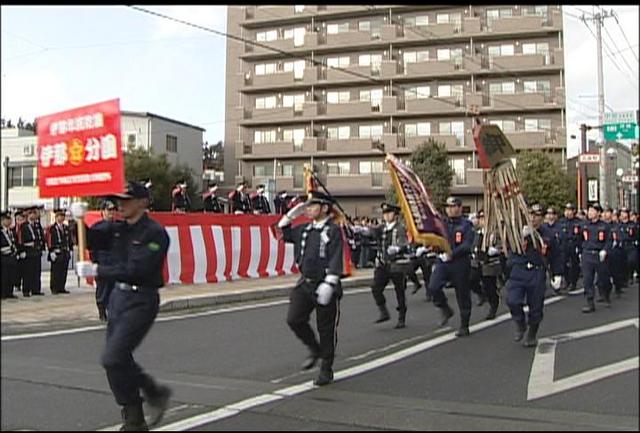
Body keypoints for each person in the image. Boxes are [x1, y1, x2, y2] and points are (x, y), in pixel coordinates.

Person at [74, 181, 172, 430]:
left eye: (126, 199)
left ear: (143, 202)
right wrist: (75, 220)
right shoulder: (116, 228)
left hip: (142, 299)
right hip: (118, 298)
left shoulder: (155, 233)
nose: (121, 204)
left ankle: (149, 394)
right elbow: (89, 239)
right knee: (116, 360)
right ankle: (135, 417)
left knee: (113, 357)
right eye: (118, 200)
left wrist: (99, 269)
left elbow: (138, 268)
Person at [277, 190, 345, 386]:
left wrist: (330, 281)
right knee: (294, 318)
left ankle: (326, 367)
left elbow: (336, 256)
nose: (309, 209)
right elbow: (284, 232)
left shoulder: (332, 230)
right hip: (306, 283)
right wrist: (291, 215)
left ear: (325, 208)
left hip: (325, 284)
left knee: (326, 328)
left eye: (313, 205)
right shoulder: (305, 229)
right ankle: (314, 348)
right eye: (308, 206)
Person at [505, 203, 559, 347]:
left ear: (542, 218)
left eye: (536, 216)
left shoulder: (548, 234)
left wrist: (558, 274)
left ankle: (532, 334)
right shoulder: (518, 232)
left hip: (536, 271)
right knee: (512, 300)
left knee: (535, 306)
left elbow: (555, 255)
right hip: (519, 269)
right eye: (530, 215)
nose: (533, 218)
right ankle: (520, 322)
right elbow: (508, 248)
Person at [427, 196, 475, 337]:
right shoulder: (442, 223)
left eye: (452, 206)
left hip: (459, 262)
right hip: (444, 261)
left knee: (462, 294)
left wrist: (452, 254)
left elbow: (467, 245)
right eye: (447, 207)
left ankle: (464, 325)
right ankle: (444, 308)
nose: (449, 209)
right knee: (433, 286)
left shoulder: (466, 225)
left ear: (460, 208)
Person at [363, 203, 412, 329]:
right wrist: (364, 228)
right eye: (385, 213)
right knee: (375, 287)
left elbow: (403, 242)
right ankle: (383, 311)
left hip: (396, 264)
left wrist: (397, 248)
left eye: (389, 213)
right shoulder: (383, 228)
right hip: (383, 263)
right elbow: (372, 231)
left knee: (399, 291)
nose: (386, 216)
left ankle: (402, 316)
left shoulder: (400, 228)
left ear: (395, 215)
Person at [469, 209, 502, 320]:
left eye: (484, 218)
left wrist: (494, 250)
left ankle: (493, 305)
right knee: (471, 280)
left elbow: (501, 247)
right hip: (477, 263)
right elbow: (473, 245)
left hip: (490, 264)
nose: (482, 221)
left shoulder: (495, 233)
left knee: (489, 286)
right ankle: (481, 294)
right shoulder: (477, 233)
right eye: (481, 218)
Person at [580, 203, 612, 313]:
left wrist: (605, 250)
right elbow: (580, 239)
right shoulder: (584, 225)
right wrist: (580, 251)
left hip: (599, 254)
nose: (590, 213)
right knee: (587, 279)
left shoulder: (605, 226)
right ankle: (590, 302)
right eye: (589, 211)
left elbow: (609, 240)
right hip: (587, 254)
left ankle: (605, 294)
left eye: (593, 211)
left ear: (598, 213)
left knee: (603, 278)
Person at [90, 199, 118, 321]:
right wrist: (95, 262)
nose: (111, 212)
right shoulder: (97, 228)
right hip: (103, 261)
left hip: (117, 262)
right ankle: (102, 309)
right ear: (103, 211)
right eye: (109, 210)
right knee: (103, 287)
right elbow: (93, 247)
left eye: (113, 210)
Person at [17, 206, 44, 297]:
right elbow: (20, 239)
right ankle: (26, 290)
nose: (34, 215)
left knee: (36, 271)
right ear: (28, 215)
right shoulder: (23, 226)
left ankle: (36, 289)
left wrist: (42, 248)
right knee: (28, 272)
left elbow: (41, 238)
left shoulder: (37, 225)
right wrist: (21, 250)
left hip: (36, 251)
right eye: (31, 213)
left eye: (34, 213)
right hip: (28, 251)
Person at [46, 208, 73, 294]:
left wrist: (70, 248)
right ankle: (54, 287)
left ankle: (61, 287)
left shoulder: (66, 228)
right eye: (60, 216)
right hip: (56, 252)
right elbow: (49, 240)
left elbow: (69, 240)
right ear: (56, 217)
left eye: (63, 216)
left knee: (63, 271)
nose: (61, 218)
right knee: (55, 271)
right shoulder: (52, 228)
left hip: (64, 251)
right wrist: (51, 251)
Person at [559, 203, 582, 292]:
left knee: (574, 265)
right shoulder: (561, 221)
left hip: (574, 245)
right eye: (566, 210)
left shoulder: (578, 222)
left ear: (574, 211)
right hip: (564, 245)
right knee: (564, 264)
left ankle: (573, 282)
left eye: (570, 210)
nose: (568, 213)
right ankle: (567, 281)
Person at [543, 207, 565, 294]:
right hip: (545, 251)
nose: (550, 216)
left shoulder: (560, 226)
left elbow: (562, 239)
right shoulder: (543, 227)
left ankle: (557, 285)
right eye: (548, 214)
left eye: (552, 214)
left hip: (556, 251)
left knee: (556, 270)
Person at [1, 210, 19, 299]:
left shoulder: (11, 231)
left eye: (10, 219)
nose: (9, 221)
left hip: (12, 257)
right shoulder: (1, 232)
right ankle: (3, 293)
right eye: (7, 219)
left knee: (11, 275)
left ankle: (9, 292)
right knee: (4, 276)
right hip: (4, 257)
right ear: (2, 220)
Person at [619, 208, 639, 286]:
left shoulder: (633, 225)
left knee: (631, 260)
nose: (623, 215)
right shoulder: (619, 225)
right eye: (622, 213)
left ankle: (631, 274)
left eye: (624, 213)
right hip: (622, 245)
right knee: (623, 263)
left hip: (631, 245)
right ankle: (626, 278)